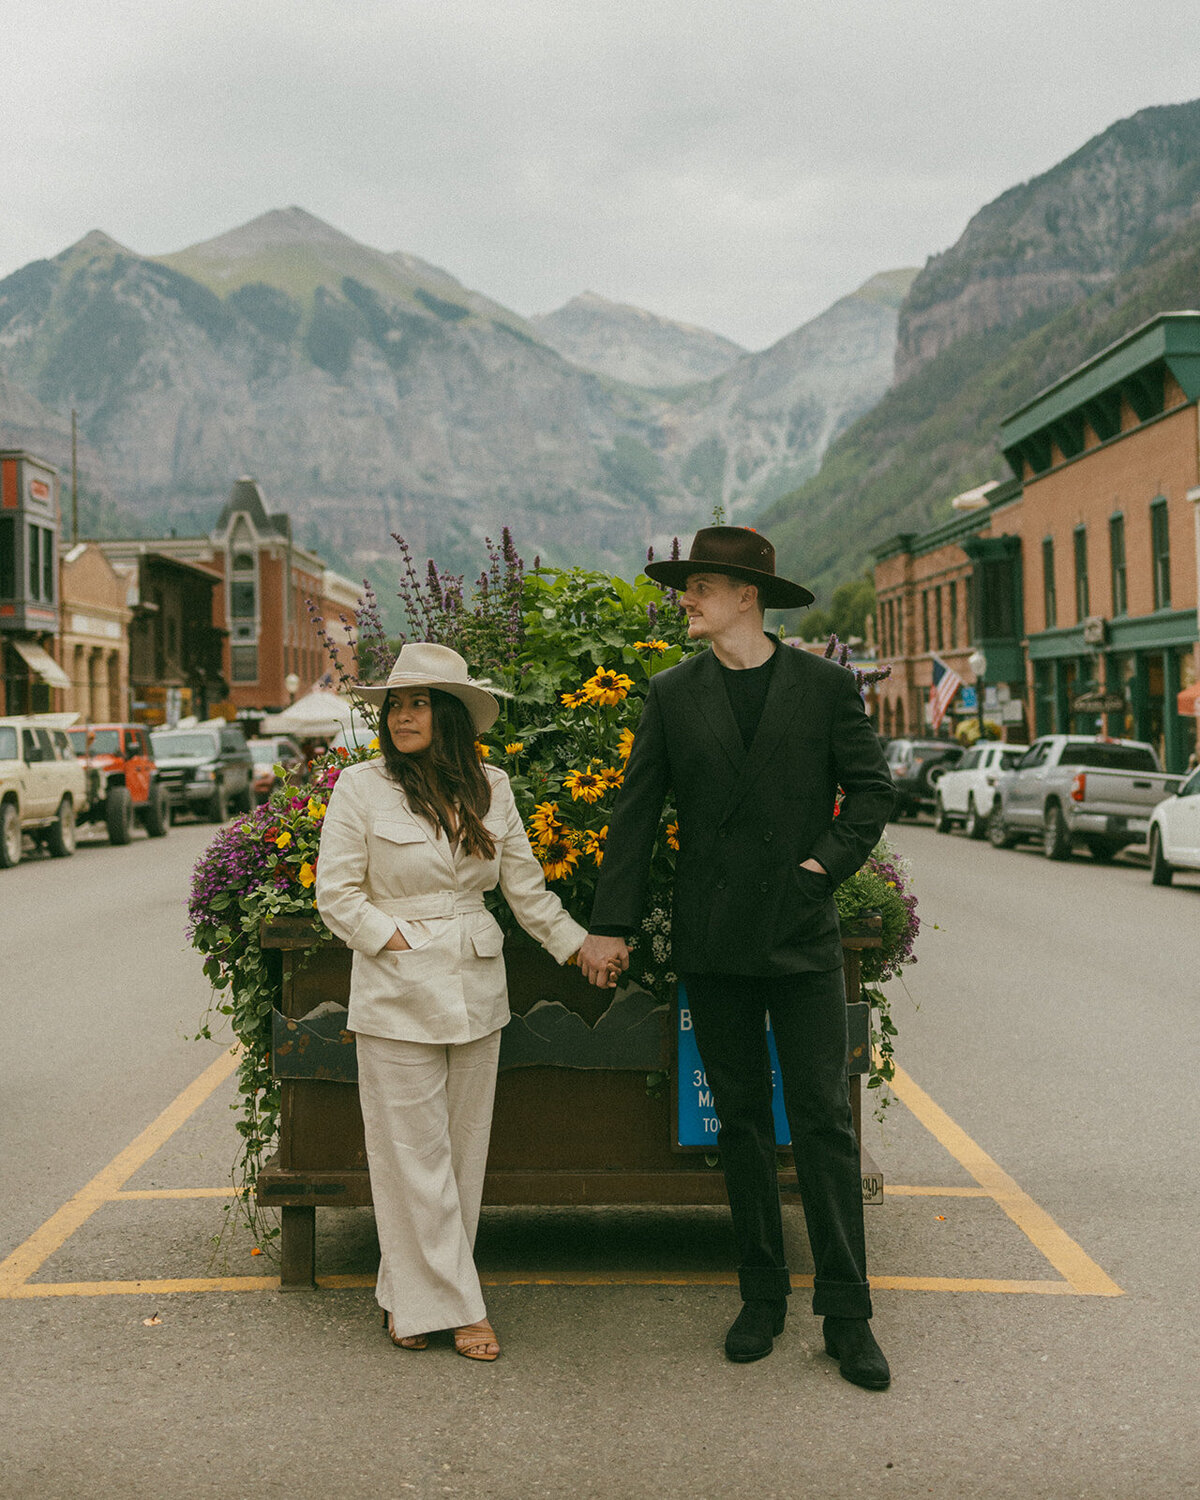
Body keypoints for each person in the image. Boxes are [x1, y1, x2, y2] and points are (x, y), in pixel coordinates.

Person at [578, 526, 896, 1390]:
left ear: (748, 596)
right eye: (687, 586)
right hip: (713, 940)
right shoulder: (673, 693)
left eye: (701, 585)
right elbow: (636, 815)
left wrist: (817, 869)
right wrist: (611, 925)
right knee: (743, 1126)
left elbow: (871, 793)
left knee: (824, 1121)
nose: (686, 598)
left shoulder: (826, 686)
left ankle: (848, 1312)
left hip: (799, 934)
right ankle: (762, 1294)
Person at [316, 642, 587, 1360]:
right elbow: (336, 894)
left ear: (451, 714)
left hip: (475, 984)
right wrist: (395, 941)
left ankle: (407, 1298)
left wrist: (578, 945)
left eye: (418, 702)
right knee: (412, 1156)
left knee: (461, 1157)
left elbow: (524, 889)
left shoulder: (491, 786)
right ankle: (462, 1308)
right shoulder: (361, 788)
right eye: (395, 704)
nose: (402, 715)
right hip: (395, 991)